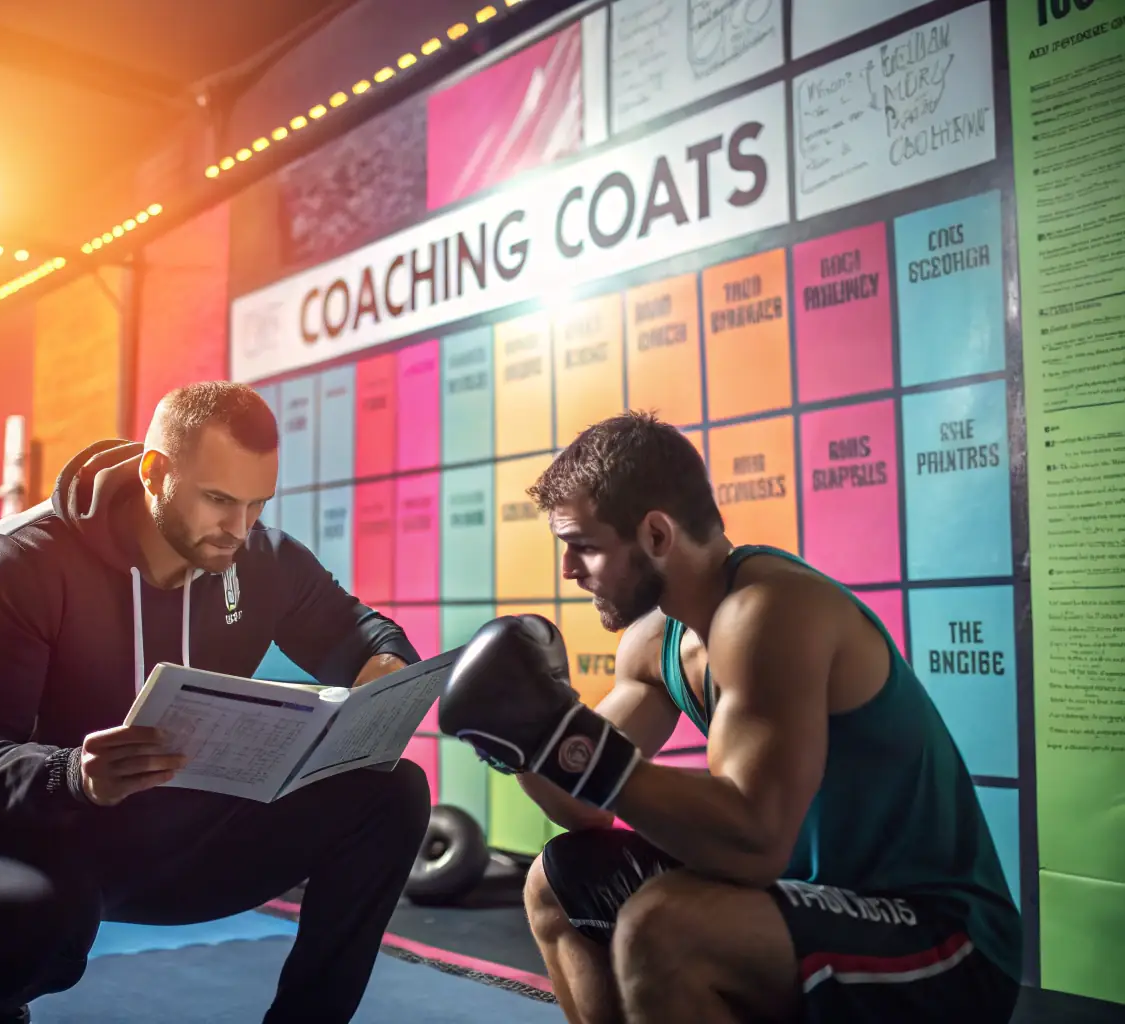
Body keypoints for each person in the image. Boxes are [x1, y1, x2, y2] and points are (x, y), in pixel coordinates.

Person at [438, 410, 1022, 1024]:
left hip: (941, 941)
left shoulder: (770, 611)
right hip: (803, 898)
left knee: (666, 928)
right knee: (556, 882)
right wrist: (526, 745)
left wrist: (560, 737)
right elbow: (582, 805)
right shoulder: (654, 645)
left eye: (584, 546)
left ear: (657, 536)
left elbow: (755, 842)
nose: (568, 570)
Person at [0, 381, 430, 1024]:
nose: (239, 529)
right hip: (53, 837)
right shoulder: (23, 560)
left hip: (192, 836)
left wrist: (383, 668)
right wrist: (72, 773)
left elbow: (362, 632)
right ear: (156, 472)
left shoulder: (261, 557)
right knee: (2, 930)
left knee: (392, 793)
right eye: (219, 500)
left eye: (256, 504)